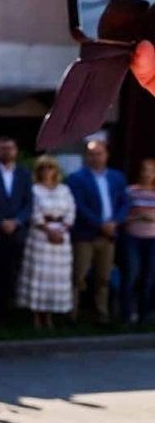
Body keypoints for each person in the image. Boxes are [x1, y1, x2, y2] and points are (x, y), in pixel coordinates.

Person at [65, 139, 128, 324]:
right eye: (91, 154)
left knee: (104, 278)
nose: (95, 158)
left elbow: (124, 202)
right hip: (85, 234)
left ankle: (102, 315)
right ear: (86, 157)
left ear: (106, 155)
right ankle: (72, 315)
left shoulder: (117, 177)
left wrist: (115, 222)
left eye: (99, 154)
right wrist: (101, 224)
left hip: (109, 235)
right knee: (79, 276)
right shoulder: (76, 178)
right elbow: (79, 206)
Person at [18, 156, 76, 329]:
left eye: (50, 167)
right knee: (38, 275)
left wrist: (62, 229)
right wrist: (48, 230)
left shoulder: (64, 189)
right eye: (43, 167)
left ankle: (49, 316)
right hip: (40, 235)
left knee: (55, 277)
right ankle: (36, 316)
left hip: (61, 236)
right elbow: (33, 212)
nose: (47, 171)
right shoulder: (34, 189)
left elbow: (71, 210)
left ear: (56, 170)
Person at [0, 136, 32, 322]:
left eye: (9, 148)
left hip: (16, 232)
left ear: (16, 151)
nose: (6, 152)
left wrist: (17, 221)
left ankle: (8, 314)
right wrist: (0, 221)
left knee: (11, 272)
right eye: (2, 148)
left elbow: (29, 203)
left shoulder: (24, 173)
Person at [122, 158, 155, 325]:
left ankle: (144, 315)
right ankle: (127, 314)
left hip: (152, 239)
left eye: (150, 170)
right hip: (133, 237)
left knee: (149, 277)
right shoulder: (131, 191)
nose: (146, 173)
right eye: (144, 169)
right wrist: (138, 217)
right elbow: (122, 217)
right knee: (131, 274)